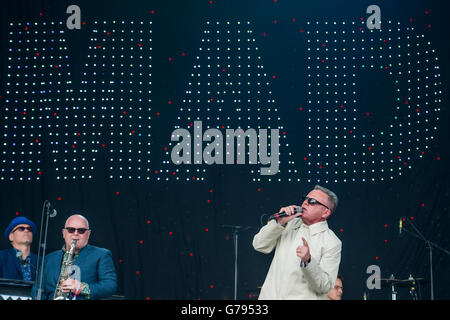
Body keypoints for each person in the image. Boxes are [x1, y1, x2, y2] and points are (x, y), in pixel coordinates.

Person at [253, 185, 342, 299]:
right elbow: (259, 245)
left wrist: (308, 261)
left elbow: (324, 286)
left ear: (325, 212)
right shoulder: (289, 223)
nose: (305, 203)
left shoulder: (332, 242)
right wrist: (279, 223)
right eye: (305, 198)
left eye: (312, 201)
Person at [33, 214, 117, 300]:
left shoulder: (101, 254)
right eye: (71, 230)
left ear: (88, 234)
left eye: (81, 230)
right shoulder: (49, 258)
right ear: (64, 233)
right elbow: (37, 290)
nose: (76, 233)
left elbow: (110, 285)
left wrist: (82, 288)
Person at [0, 216, 38, 281]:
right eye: (21, 228)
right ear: (11, 236)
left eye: (29, 229)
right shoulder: (2, 257)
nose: (26, 230)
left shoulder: (41, 261)